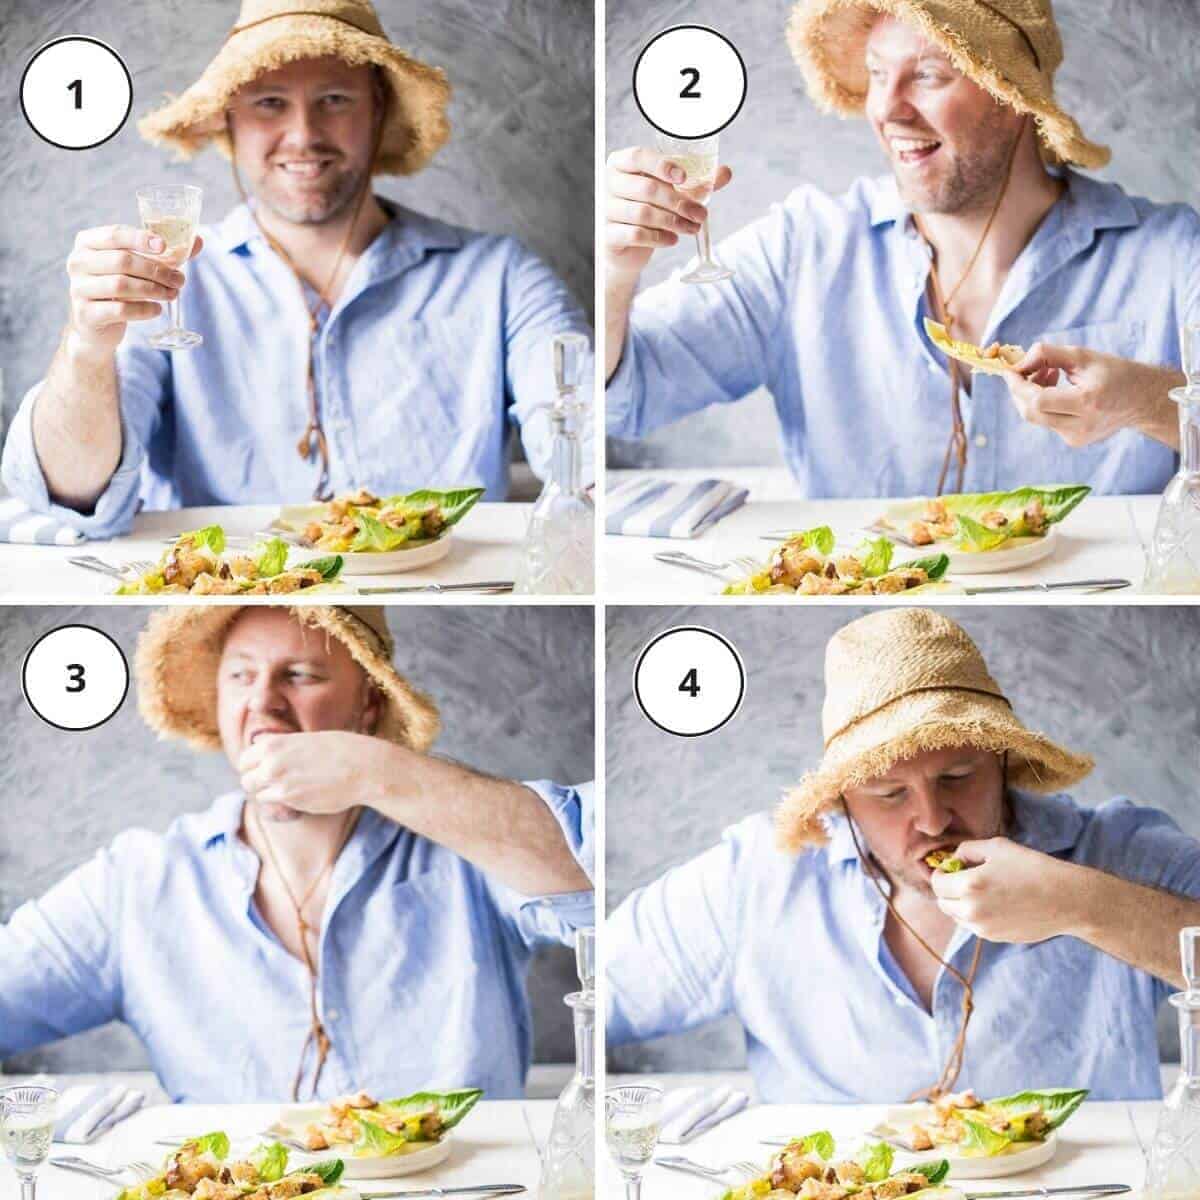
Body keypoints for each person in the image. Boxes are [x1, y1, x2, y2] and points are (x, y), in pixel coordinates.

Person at [1, 0, 592, 537]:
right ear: (229, 119)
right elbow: (75, 494)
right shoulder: (167, 280)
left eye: (334, 100)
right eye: (269, 103)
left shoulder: (501, 277)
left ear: (378, 111)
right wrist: (86, 344)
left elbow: (581, 448)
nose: (303, 136)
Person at [0, 606, 594, 1103]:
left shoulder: (466, 851)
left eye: (302, 675)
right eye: (240, 676)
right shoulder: (136, 884)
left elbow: (591, 879)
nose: (264, 702)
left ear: (366, 705)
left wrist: (376, 773)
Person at [606, 608, 1200, 1102]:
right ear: (840, 802)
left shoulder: (1114, 852)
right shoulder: (751, 881)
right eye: (890, 795)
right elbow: (598, 994)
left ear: (1001, 762)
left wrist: (1084, 904)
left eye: (959, 776)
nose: (934, 819)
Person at [605, 0, 1196, 496]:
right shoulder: (802, 248)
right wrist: (615, 273)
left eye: (930, 75)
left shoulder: (1170, 255)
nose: (886, 109)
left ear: (1014, 96)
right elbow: (620, 404)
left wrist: (1145, 400)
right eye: (876, 73)